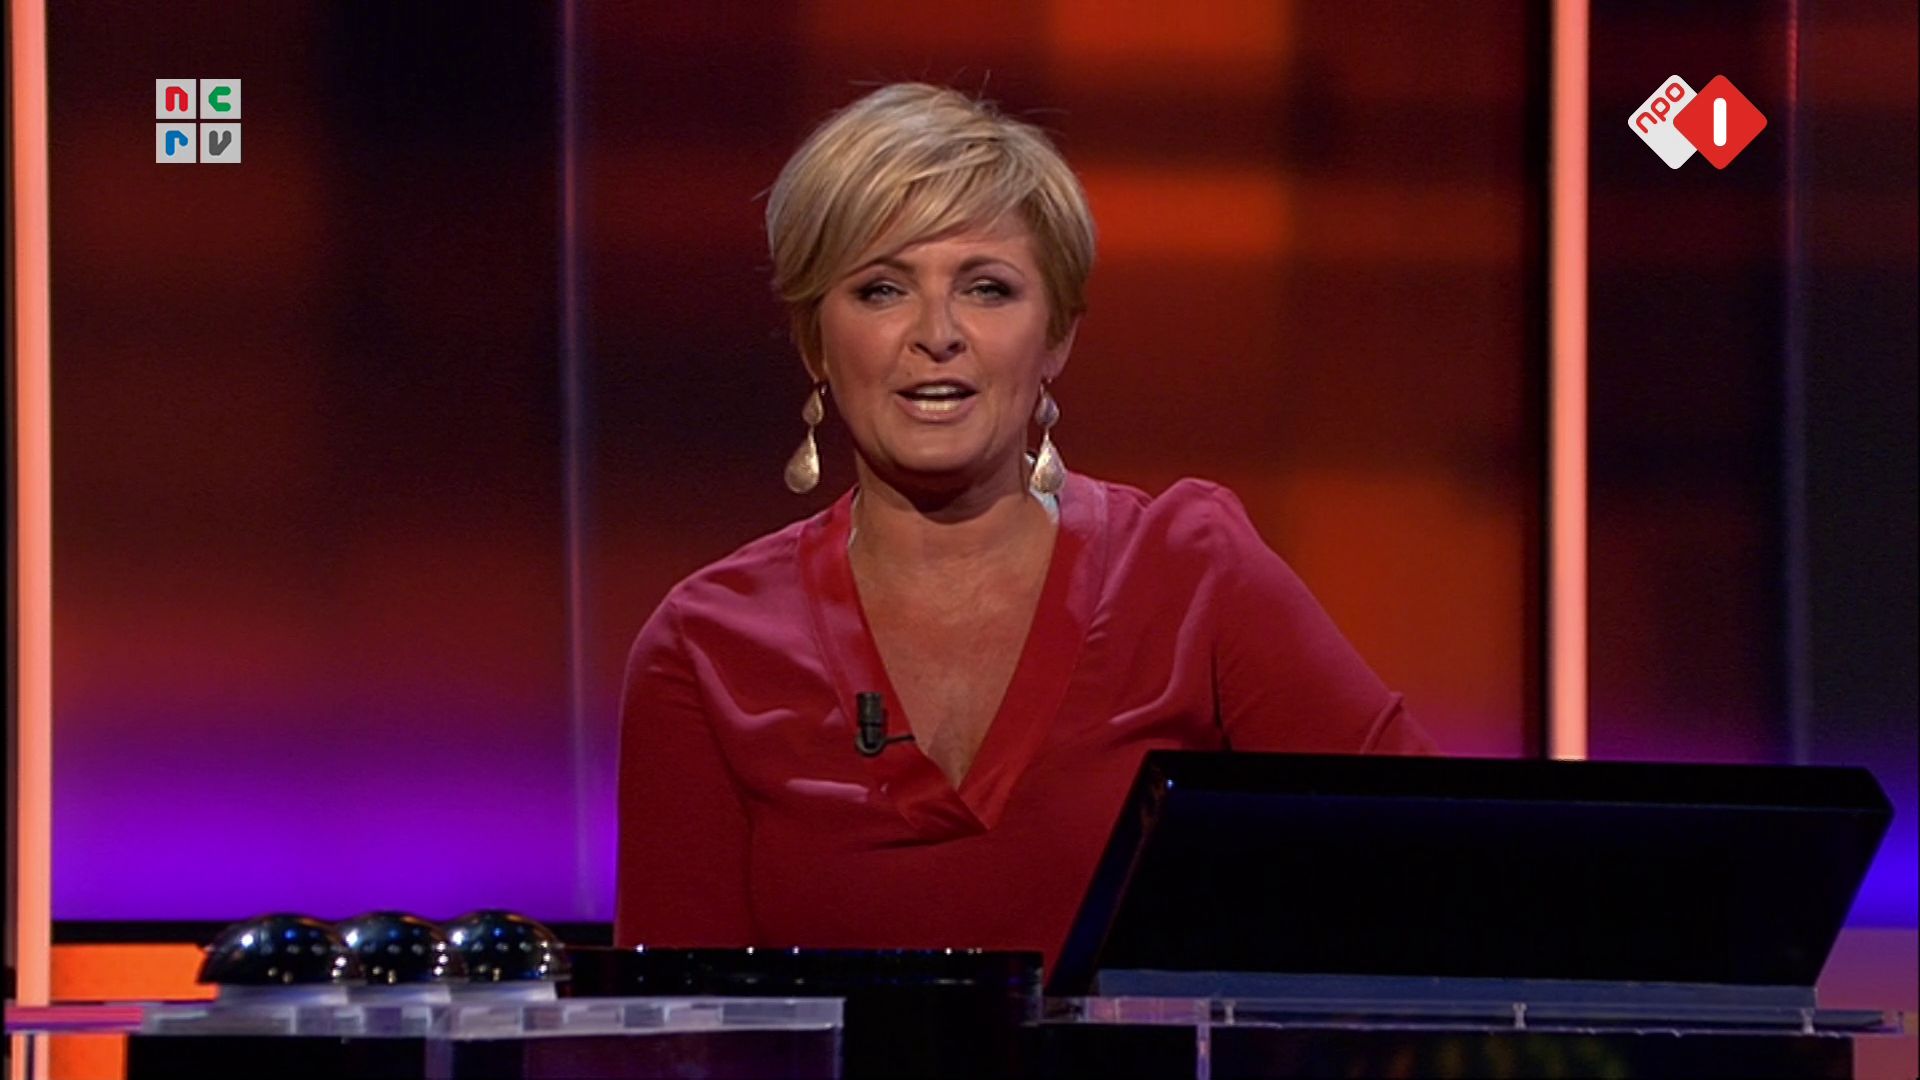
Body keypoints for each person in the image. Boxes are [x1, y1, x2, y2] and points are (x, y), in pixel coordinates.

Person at [615, 83, 1432, 971]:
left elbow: (1441, 870)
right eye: (882, 289)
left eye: (988, 288)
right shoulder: (704, 648)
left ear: (1056, 339)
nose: (937, 333)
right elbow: (674, 1022)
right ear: (816, 341)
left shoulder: (1194, 574)